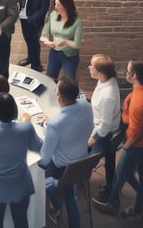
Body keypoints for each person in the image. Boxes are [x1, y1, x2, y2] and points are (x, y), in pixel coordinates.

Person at [0, 92, 42, 228]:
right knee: (21, 221)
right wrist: (25, 125)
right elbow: (40, 147)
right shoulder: (26, 128)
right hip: (20, 185)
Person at [38, 76, 93, 228]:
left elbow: (44, 160)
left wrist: (47, 129)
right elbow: (71, 126)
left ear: (59, 97)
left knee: (37, 175)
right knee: (70, 194)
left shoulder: (55, 125)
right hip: (82, 162)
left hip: (61, 169)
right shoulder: (87, 105)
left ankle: (56, 205)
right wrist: (49, 126)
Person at [92, 59, 143, 220]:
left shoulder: (137, 101)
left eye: (127, 72)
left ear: (134, 75)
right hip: (136, 144)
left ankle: (112, 202)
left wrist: (126, 147)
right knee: (131, 175)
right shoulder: (137, 91)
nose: (125, 74)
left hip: (135, 145)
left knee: (120, 174)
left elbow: (136, 131)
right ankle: (138, 205)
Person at [87, 54, 121, 201]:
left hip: (104, 135)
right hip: (101, 129)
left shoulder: (108, 94)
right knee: (110, 163)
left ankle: (110, 194)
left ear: (100, 73)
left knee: (81, 156)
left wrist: (93, 139)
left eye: (91, 66)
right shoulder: (106, 80)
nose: (89, 67)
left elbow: (105, 125)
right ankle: (111, 187)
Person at [40, 0, 82, 82]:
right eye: (55, 4)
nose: (55, 7)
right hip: (54, 53)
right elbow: (43, 36)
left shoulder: (77, 21)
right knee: (50, 80)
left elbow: (77, 44)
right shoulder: (53, 15)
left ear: (66, 6)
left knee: (69, 82)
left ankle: (72, 96)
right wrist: (47, 42)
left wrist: (65, 42)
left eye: (58, 5)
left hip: (70, 55)